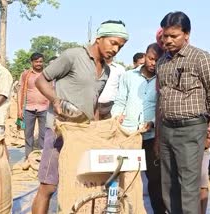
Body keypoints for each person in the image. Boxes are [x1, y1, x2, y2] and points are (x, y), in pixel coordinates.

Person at [31, 20, 129, 214]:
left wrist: (97, 128)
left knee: (78, 184)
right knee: (48, 186)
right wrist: (56, 100)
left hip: (83, 136)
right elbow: (42, 79)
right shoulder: (73, 56)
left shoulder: (107, 71)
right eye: (113, 43)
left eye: (121, 46)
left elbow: (93, 103)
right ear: (99, 38)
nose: (116, 49)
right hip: (59, 131)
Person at [156, 11, 210, 214]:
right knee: (168, 183)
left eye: (173, 36)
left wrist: (204, 123)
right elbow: (161, 97)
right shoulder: (162, 62)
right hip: (167, 129)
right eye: (165, 36)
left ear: (187, 34)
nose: (168, 41)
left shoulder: (200, 58)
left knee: (188, 184)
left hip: (191, 129)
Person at [111, 43, 165, 214]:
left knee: (155, 180)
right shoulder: (128, 76)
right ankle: (120, 209)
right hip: (127, 134)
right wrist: (116, 116)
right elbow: (120, 100)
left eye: (157, 60)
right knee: (123, 176)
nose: (153, 63)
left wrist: (152, 123)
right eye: (150, 59)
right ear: (145, 56)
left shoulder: (163, 79)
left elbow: (163, 107)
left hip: (150, 137)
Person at [17, 52, 49, 158]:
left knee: (44, 135)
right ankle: (28, 158)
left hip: (45, 109)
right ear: (32, 62)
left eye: (40, 61)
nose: (39, 64)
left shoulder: (48, 74)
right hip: (28, 109)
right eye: (36, 62)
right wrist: (19, 109)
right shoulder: (26, 74)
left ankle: (41, 159)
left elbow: (53, 90)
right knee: (28, 135)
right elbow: (20, 91)